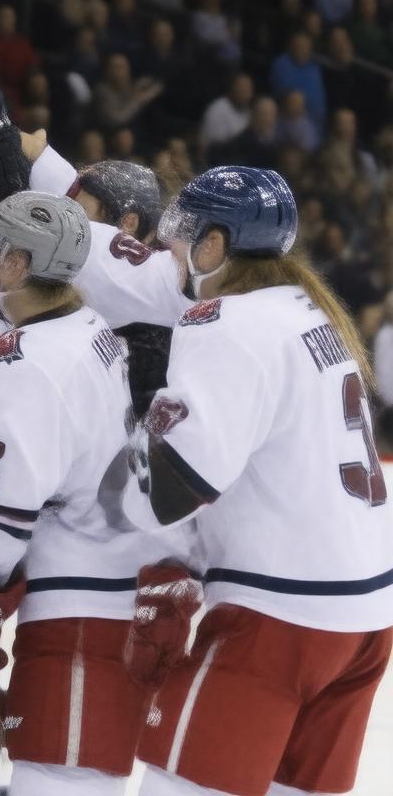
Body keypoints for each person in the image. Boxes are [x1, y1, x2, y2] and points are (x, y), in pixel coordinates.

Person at [123, 167, 393, 796]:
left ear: (214, 244)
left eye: (182, 235)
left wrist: (141, 418)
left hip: (279, 617)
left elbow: (165, 494)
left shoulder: (224, 321)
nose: (171, 250)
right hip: (366, 618)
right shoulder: (312, 311)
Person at [0, 191, 196, 796]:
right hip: (115, 593)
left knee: (59, 782)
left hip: (79, 615)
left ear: (15, 267)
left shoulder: (24, 361)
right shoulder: (91, 327)